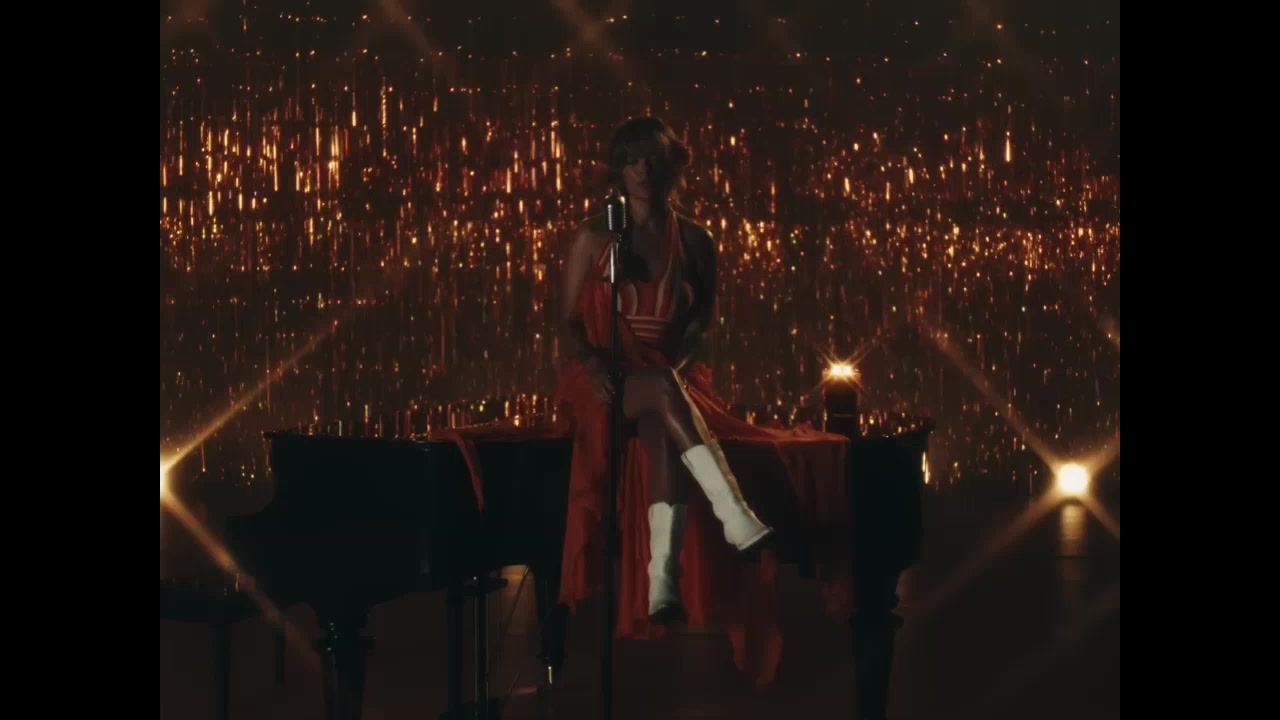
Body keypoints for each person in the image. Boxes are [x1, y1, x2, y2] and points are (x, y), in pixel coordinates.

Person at [554, 116, 849, 684]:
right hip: (603, 380)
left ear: (671, 165)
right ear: (618, 169)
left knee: (665, 430)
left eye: (652, 158)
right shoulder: (595, 236)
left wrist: (676, 364)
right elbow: (567, 323)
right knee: (663, 394)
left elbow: (699, 325)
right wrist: (593, 364)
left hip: (666, 378)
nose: (642, 169)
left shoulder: (694, 240)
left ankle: (661, 581)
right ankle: (734, 513)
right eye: (632, 159)